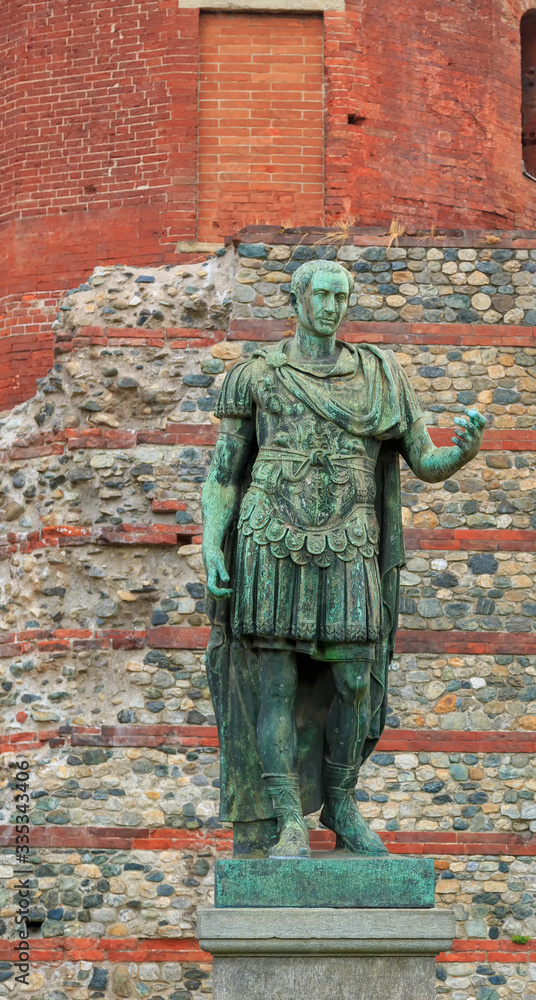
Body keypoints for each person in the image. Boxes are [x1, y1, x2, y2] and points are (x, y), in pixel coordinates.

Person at [202, 258, 485, 858]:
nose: (331, 308)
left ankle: (341, 800)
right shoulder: (255, 375)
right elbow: (225, 472)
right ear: (297, 298)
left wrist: (459, 455)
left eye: (340, 297)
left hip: (350, 538)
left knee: (357, 681)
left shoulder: (380, 376)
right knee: (274, 685)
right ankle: (288, 821)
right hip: (270, 536)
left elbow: (425, 463)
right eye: (321, 296)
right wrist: (209, 542)